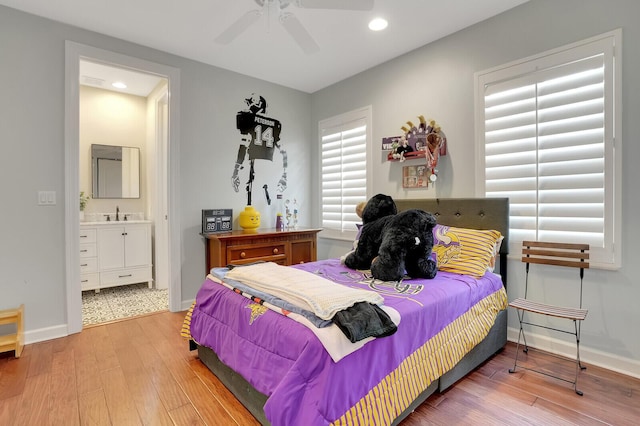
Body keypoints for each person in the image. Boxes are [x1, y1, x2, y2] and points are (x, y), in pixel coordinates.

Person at [231, 94, 287, 205]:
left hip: (254, 164)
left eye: (249, 103)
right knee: (267, 204)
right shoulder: (276, 124)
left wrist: (236, 170)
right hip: (270, 167)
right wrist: (285, 175)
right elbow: (283, 151)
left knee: (251, 205)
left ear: (257, 106)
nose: (248, 106)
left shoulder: (248, 119)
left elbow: (244, 143)